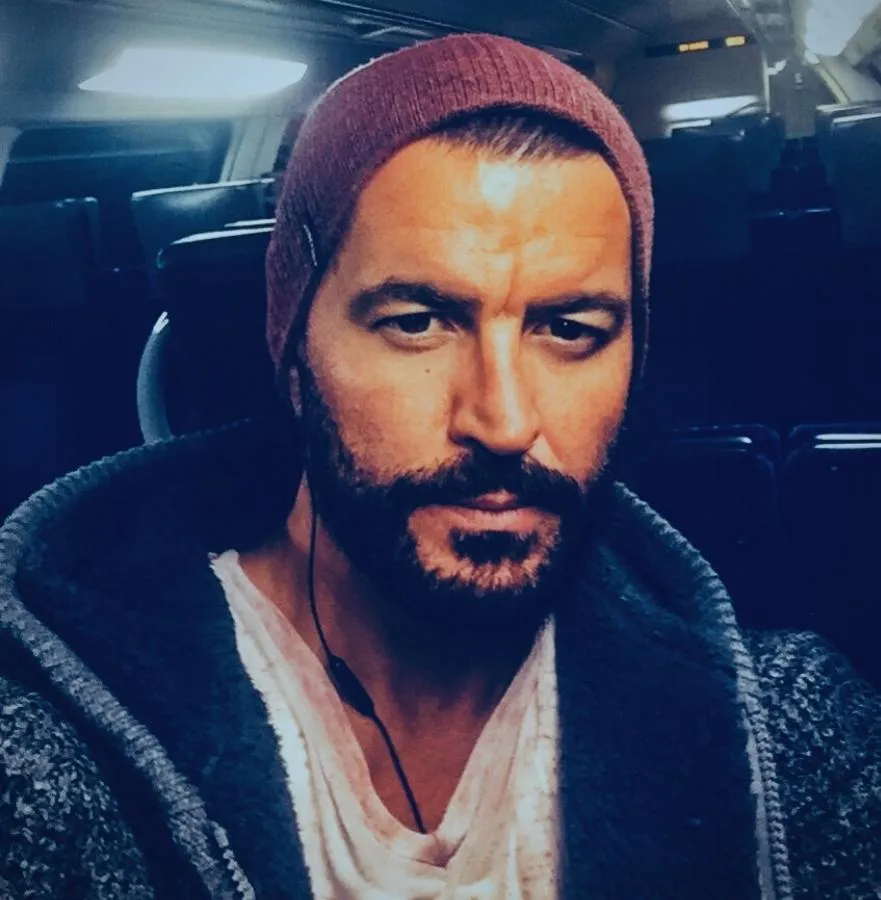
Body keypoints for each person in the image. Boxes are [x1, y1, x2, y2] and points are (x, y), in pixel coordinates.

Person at [0, 32, 878, 900]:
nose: (503, 422)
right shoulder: (55, 756)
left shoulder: (782, 735)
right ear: (295, 350)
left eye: (569, 329)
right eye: (416, 323)